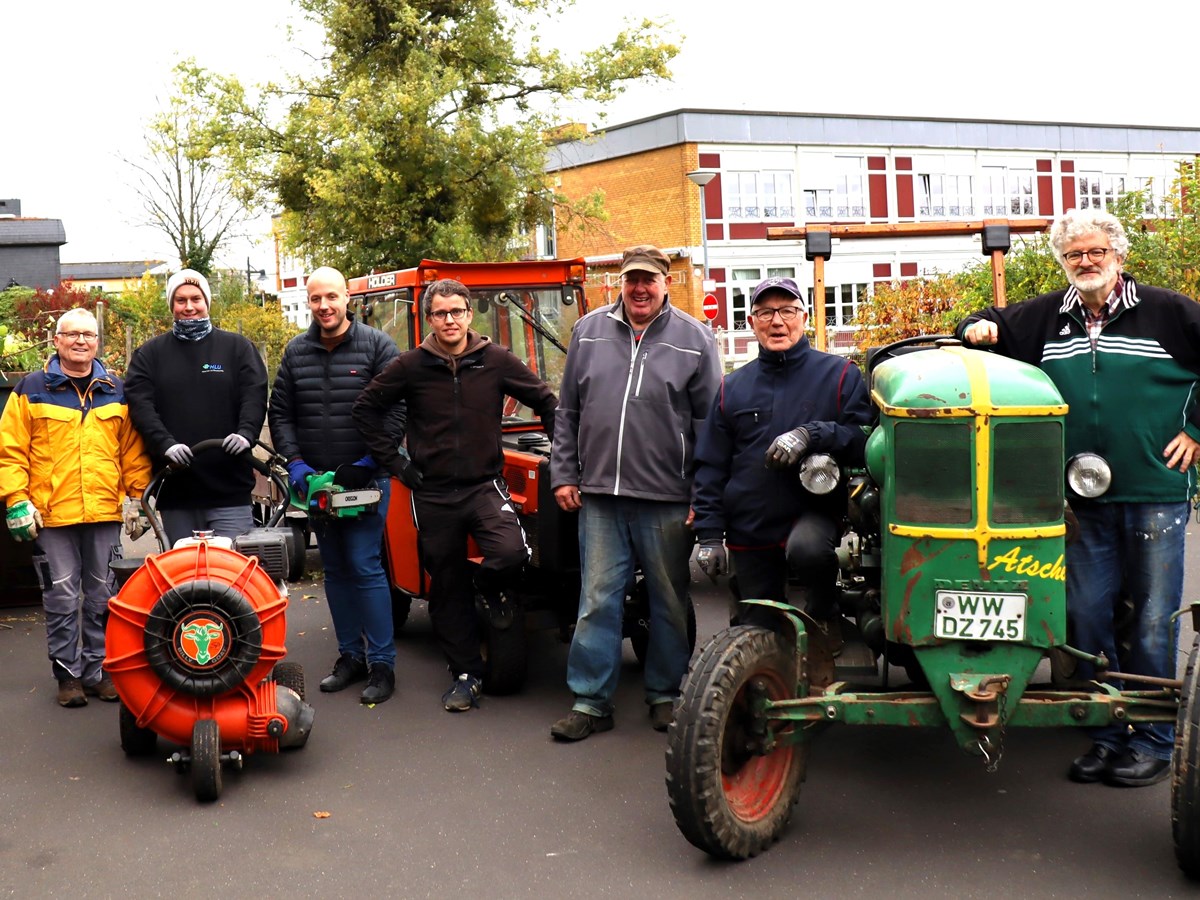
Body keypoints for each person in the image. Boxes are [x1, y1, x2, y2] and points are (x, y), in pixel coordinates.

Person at [957, 208, 1200, 788]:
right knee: (1085, 618)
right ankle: (1106, 733)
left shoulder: (1168, 311)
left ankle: (1156, 739)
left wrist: (1196, 431)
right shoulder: (1048, 316)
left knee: (1149, 621)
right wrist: (977, 326)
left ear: (1118, 254)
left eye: (1095, 252)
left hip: (1154, 490)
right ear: (1062, 263)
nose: (1085, 263)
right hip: (1078, 496)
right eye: (1074, 256)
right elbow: (984, 321)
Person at [353, 278, 558, 712]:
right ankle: (465, 674)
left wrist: (565, 453)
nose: (450, 319)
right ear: (430, 319)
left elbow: (545, 399)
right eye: (441, 313)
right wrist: (398, 464)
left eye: (457, 311)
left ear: (469, 314)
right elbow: (366, 409)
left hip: (485, 485)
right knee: (445, 587)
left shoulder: (495, 360)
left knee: (511, 553)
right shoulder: (411, 366)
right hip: (432, 492)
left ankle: (487, 588)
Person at [549, 244, 722, 740]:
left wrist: (702, 496)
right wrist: (564, 473)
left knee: (668, 600)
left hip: (668, 496)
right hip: (600, 493)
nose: (640, 288)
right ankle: (590, 701)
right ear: (619, 283)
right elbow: (569, 412)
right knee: (596, 599)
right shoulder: (589, 331)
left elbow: (712, 424)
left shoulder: (696, 339)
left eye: (649, 279)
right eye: (632, 280)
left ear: (666, 282)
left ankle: (665, 695)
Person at [691, 275, 871, 643]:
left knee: (808, 550)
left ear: (803, 317)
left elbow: (862, 441)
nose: (777, 322)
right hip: (750, 527)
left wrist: (812, 434)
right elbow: (710, 465)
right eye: (766, 312)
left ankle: (825, 613)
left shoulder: (839, 376)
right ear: (751, 322)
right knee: (755, 634)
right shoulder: (732, 387)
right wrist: (709, 536)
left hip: (812, 515)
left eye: (787, 311)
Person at [269, 266, 407, 705]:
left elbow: (397, 411)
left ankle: (382, 664)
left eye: (331, 296)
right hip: (316, 482)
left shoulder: (378, 347)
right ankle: (351, 657)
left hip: (367, 480)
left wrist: (370, 462)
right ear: (308, 303)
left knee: (365, 565)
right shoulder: (295, 352)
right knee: (336, 570)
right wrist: (295, 464)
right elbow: (282, 414)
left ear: (347, 297)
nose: (324, 306)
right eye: (315, 299)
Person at [0, 308, 151, 707]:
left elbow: (131, 451)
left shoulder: (114, 389)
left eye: (88, 334)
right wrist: (16, 499)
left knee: (104, 598)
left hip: (103, 512)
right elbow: (10, 452)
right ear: (57, 341)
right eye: (72, 335)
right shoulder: (31, 389)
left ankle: (98, 671)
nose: (80, 341)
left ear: (97, 342)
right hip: (51, 515)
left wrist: (138, 497)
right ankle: (68, 677)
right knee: (62, 597)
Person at [124, 269, 268, 546]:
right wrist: (165, 444)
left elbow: (254, 395)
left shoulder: (237, 349)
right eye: (180, 300)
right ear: (172, 305)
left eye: (195, 299)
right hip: (177, 494)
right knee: (185, 579)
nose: (189, 307)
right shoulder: (150, 356)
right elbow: (141, 407)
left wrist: (246, 433)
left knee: (232, 576)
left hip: (229, 490)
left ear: (207, 302)